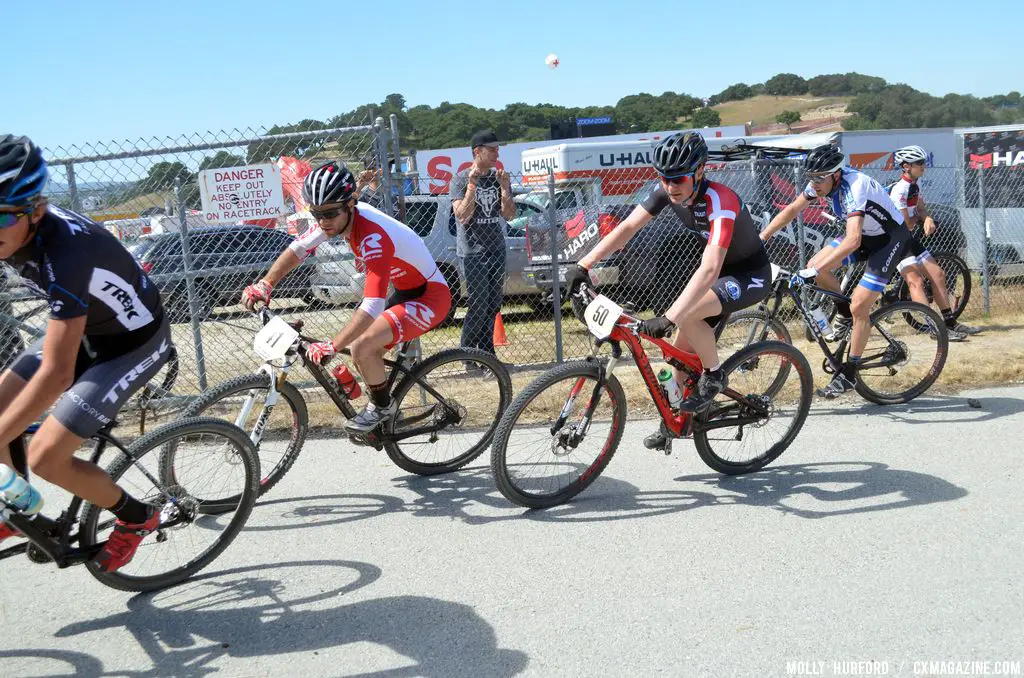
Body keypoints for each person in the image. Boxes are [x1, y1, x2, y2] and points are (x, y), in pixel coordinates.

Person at [0, 135, 173, 572]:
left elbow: (57, 374)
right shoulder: (18, 229)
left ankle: (138, 517)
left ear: (34, 210)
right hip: (88, 330)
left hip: (133, 344)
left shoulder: (67, 253)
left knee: (45, 456)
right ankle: (17, 508)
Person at [566, 131, 773, 448]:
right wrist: (584, 265)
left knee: (687, 316)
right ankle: (675, 424)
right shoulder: (666, 193)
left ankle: (715, 375)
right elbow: (627, 229)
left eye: (678, 179)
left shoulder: (720, 201)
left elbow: (710, 267)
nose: (670, 186)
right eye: (664, 178)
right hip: (718, 276)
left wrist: (670, 317)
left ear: (700, 171)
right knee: (676, 362)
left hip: (749, 275)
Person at [242, 161, 451, 433]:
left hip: (430, 296)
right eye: (316, 214)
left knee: (360, 346)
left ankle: (383, 409)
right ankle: (387, 417)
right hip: (404, 291)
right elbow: (299, 247)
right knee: (361, 352)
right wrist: (266, 284)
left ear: (350, 204)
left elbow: (373, 303)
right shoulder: (335, 217)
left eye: (329, 213)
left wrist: (331, 344)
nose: (323, 221)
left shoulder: (373, 235)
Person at [760, 145, 912, 398]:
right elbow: (791, 210)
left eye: (820, 178)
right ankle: (844, 315)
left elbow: (852, 241)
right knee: (814, 267)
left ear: (836, 174)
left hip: (889, 241)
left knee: (860, 306)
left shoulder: (856, 186)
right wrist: (763, 236)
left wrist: (819, 268)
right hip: (865, 235)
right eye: (811, 177)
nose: (814, 184)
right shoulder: (823, 182)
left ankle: (849, 374)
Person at [889, 145, 979, 338]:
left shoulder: (914, 185)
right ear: (906, 166)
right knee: (916, 282)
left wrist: (928, 218)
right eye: (920, 163)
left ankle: (950, 322)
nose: (924, 166)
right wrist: (919, 219)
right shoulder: (899, 190)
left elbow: (921, 209)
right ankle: (933, 328)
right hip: (895, 242)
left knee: (938, 275)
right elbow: (907, 223)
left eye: (924, 162)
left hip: (909, 239)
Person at [449, 130, 516, 360]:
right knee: (478, 304)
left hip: (496, 248)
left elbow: (508, 215)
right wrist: (471, 185)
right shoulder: (460, 179)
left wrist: (505, 188)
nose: (497, 152)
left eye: (498, 148)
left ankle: (487, 355)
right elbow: (462, 215)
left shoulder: (498, 177)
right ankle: (468, 356)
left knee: (493, 305)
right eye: (493, 149)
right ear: (477, 151)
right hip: (473, 251)